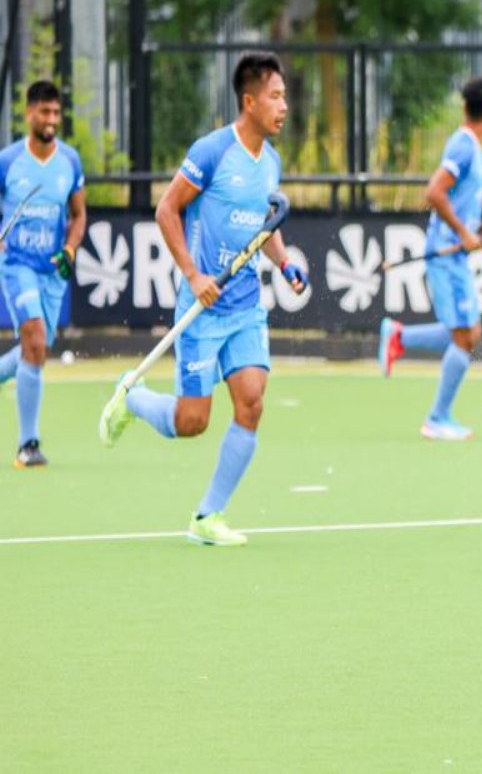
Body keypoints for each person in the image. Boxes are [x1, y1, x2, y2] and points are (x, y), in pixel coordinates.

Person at [98, 52, 310, 545]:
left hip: (245, 308)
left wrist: (284, 263)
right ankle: (135, 400)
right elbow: (167, 210)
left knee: (251, 404)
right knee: (192, 421)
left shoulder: (270, 161)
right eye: (276, 97)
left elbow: (267, 225)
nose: (284, 106)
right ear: (249, 100)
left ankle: (207, 517)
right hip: (202, 312)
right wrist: (192, 275)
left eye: (285, 97)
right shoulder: (213, 151)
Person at [376, 77, 482, 440]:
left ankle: (399, 336)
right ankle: (437, 418)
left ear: (464, 106)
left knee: (468, 332)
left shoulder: (467, 144)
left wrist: (473, 230)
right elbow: (434, 192)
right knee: (465, 335)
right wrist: (462, 233)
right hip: (445, 254)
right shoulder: (464, 147)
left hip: (453, 254)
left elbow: (453, 198)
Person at [0, 81, 86, 469]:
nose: (51, 120)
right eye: (44, 112)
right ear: (28, 113)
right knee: (33, 335)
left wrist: (69, 249)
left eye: (56, 113)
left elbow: (79, 214)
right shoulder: (8, 162)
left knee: (36, 350)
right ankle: (27, 445)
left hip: (53, 271)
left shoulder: (69, 161)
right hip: (17, 265)